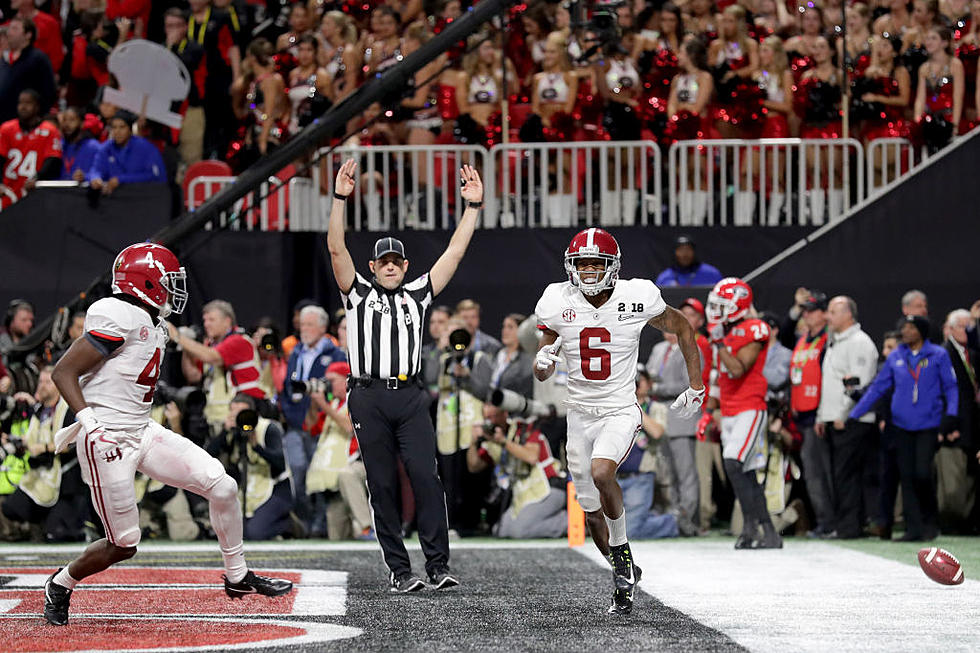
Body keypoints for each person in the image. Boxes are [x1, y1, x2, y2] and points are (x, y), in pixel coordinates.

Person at [43, 243, 291, 627]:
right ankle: (61, 583)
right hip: (107, 437)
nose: (175, 288)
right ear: (145, 282)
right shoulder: (117, 313)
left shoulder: (154, 322)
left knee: (222, 486)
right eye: (168, 280)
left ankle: (238, 576)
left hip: (141, 428)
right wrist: (92, 426)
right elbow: (63, 373)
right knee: (123, 544)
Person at [326, 159, 485, 592]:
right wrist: (340, 199)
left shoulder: (419, 293)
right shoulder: (356, 293)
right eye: (384, 262)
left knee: (425, 477)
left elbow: (453, 253)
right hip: (368, 396)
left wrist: (472, 209)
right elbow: (337, 250)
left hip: (410, 397)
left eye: (397, 261)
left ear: (406, 265)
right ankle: (400, 570)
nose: (391, 266)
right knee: (380, 483)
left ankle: (437, 565)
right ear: (374, 267)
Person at [534, 227, 705, 614]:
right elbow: (544, 365)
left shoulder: (637, 296)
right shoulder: (555, 300)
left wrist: (696, 385)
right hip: (578, 414)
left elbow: (683, 327)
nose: (589, 270)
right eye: (582, 263)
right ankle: (622, 573)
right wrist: (541, 363)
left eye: (597, 262)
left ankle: (622, 551)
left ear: (613, 266)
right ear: (570, 266)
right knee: (592, 514)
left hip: (619, 409)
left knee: (601, 471)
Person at [849, 315, 959, 541]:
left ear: (921, 331)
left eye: (910, 328)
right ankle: (914, 528)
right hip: (901, 425)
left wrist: (951, 415)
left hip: (928, 424)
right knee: (906, 476)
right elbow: (879, 387)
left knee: (922, 473)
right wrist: (855, 413)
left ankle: (930, 519)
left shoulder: (938, 355)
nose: (905, 332)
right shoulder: (897, 357)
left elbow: (950, 386)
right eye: (903, 328)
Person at [705, 277, 782, 550]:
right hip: (728, 409)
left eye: (722, 305)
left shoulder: (755, 328)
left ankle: (751, 526)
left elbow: (738, 369)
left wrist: (720, 344)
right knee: (745, 472)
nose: (716, 310)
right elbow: (718, 376)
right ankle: (768, 533)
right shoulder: (724, 332)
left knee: (733, 463)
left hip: (750, 406)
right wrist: (708, 412)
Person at [816, 296, 879, 539]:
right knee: (841, 476)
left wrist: (843, 415)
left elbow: (858, 385)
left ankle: (849, 528)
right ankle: (849, 525)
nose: (827, 316)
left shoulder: (860, 343)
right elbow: (830, 383)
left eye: (832, 312)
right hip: (836, 419)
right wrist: (823, 416)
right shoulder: (835, 342)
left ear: (848, 315)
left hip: (853, 421)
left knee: (847, 476)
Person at [279, 304, 346, 530]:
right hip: (296, 425)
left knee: (318, 474)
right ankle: (305, 521)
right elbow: (288, 388)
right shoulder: (296, 352)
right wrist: (290, 413)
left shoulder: (336, 354)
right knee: (296, 469)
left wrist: (321, 406)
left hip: (322, 423)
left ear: (322, 327)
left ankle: (320, 523)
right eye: (302, 324)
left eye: (309, 324)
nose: (303, 329)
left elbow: (338, 390)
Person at [466, 404, 567, 539]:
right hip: (522, 495)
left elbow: (531, 457)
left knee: (519, 531)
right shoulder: (491, 441)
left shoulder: (524, 428)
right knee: (500, 530)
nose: (491, 421)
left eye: (493, 416)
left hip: (548, 488)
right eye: (487, 418)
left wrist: (503, 441)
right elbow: (474, 466)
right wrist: (473, 442)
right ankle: (543, 521)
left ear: (504, 414)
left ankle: (570, 522)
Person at [168, 299, 270, 429]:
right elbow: (193, 376)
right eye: (205, 320)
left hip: (243, 415)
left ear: (227, 321)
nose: (206, 324)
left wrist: (178, 337)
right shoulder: (209, 346)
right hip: (216, 417)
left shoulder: (239, 341)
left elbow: (212, 357)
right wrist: (187, 346)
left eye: (211, 320)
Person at [210, 393, 292, 540]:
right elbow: (208, 456)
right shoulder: (235, 433)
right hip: (247, 491)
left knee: (255, 533)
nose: (241, 419)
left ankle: (288, 525)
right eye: (235, 414)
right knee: (232, 534)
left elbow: (280, 464)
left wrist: (257, 447)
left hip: (275, 489)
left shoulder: (268, 428)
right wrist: (225, 432)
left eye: (243, 413)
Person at [786, 290, 834, 537]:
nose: (806, 314)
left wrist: (822, 414)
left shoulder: (830, 339)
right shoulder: (803, 339)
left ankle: (830, 523)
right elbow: (784, 333)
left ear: (825, 314)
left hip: (819, 415)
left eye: (812, 310)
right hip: (802, 416)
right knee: (813, 473)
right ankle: (824, 522)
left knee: (821, 472)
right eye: (804, 310)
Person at [936, 309, 979, 532]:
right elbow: (941, 392)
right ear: (950, 329)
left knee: (970, 479)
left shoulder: (971, 354)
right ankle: (949, 524)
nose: (967, 331)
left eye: (969, 326)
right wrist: (946, 424)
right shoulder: (944, 353)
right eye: (962, 326)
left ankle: (965, 523)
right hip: (954, 426)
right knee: (952, 484)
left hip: (972, 426)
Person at [0, 90, 62, 201]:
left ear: (37, 106)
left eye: (28, 103)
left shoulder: (49, 131)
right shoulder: (7, 128)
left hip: (33, 193)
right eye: (20, 103)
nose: (23, 107)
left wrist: (37, 179)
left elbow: (53, 160)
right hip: (8, 190)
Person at [88, 112, 167, 194]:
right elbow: (96, 169)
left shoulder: (145, 147)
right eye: (114, 127)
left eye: (122, 127)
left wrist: (121, 179)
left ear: (130, 129)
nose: (117, 131)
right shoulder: (106, 148)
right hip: (115, 199)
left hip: (143, 196)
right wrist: (95, 178)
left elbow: (154, 175)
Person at [0, 17, 57, 122]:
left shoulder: (38, 58)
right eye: (9, 29)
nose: (9, 33)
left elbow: (49, 91)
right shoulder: (4, 59)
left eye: (15, 29)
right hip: (4, 122)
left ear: (28, 35)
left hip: (27, 122)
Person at [654, 235, 723, 288]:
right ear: (674, 253)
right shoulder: (664, 277)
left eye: (688, 249)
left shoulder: (712, 274)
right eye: (681, 250)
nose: (685, 254)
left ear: (694, 252)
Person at [59, 106, 101, 182]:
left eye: (72, 120)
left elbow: (101, 171)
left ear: (82, 123)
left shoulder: (94, 147)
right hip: (56, 192)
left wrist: (85, 176)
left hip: (82, 192)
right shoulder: (58, 145)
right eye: (64, 120)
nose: (67, 124)